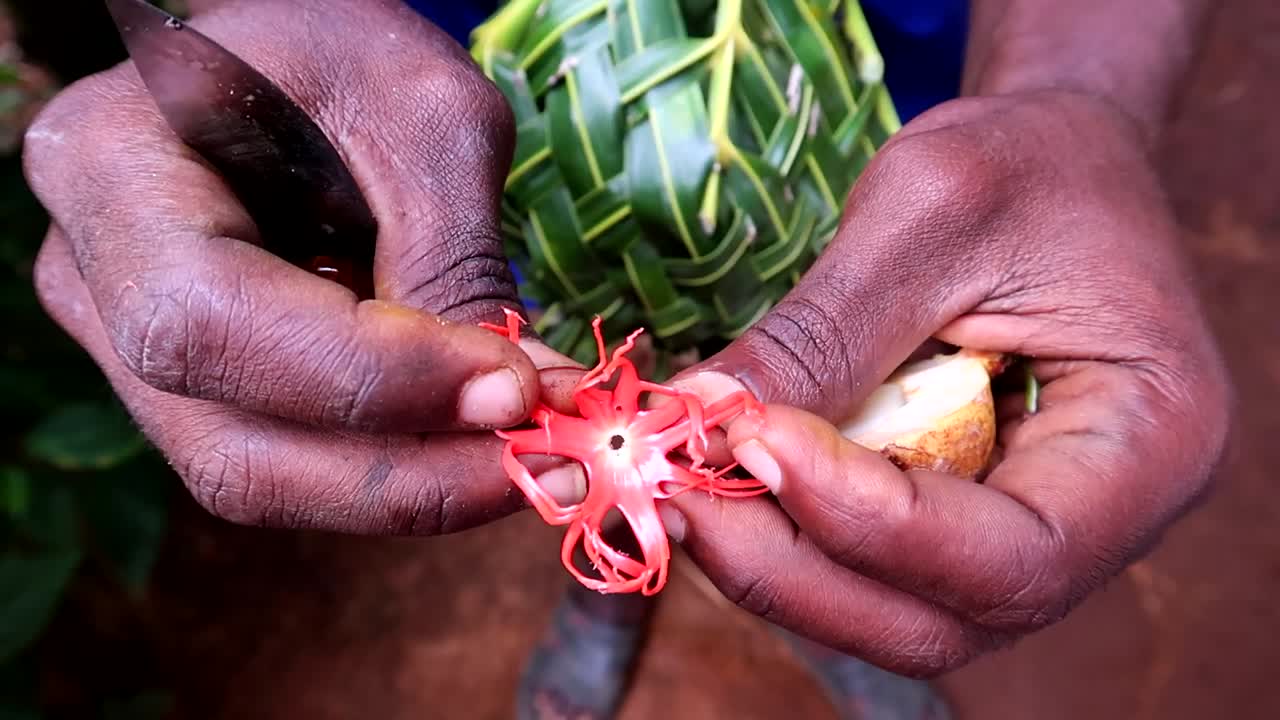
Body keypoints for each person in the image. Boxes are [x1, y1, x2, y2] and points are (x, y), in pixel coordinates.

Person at [21, 0, 1231, 718]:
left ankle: (827, 613)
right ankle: (609, 593)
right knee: (570, 442)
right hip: (454, 135)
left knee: (807, 444)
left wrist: (1077, 95)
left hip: (874, 135)